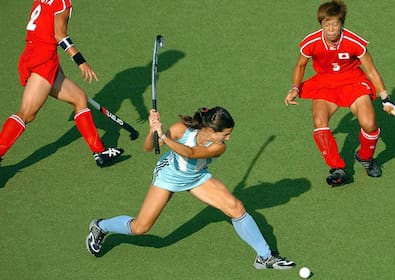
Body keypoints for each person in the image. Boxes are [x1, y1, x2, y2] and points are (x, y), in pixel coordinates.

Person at [86, 107, 295, 270]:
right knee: (140, 227)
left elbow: (191, 153)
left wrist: (165, 138)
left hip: (196, 177)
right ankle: (101, 226)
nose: (228, 138)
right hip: (168, 177)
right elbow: (148, 148)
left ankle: (265, 257)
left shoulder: (218, 146)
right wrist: (153, 131)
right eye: (226, 133)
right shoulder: (181, 129)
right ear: (211, 130)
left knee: (236, 207)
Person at [284, 0, 395, 186]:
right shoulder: (311, 42)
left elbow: (371, 71)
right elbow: (300, 65)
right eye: (326, 24)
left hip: (353, 81)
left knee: (369, 124)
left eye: (335, 24)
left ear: (341, 23)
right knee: (319, 122)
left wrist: (386, 98)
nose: (330, 29)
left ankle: (366, 158)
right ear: (321, 24)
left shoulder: (354, 42)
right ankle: (337, 168)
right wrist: (295, 87)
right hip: (325, 83)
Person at [0, 0, 123, 167]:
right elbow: (59, 35)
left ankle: (99, 152)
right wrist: (80, 61)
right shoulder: (62, 2)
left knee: (79, 98)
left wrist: (56, 69)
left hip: (36, 55)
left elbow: (43, 32)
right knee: (26, 113)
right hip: (43, 61)